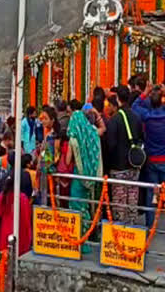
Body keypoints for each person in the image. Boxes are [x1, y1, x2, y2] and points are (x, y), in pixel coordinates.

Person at [133, 84, 165, 231]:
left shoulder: (147, 117)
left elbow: (135, 106)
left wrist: (145, 92)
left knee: (151, 194)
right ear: (162, 100)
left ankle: (150, 225)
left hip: (152, 160)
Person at [65, 99, 103, 249]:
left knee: (76, 208)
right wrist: (97, 114)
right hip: (89, 177)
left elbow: (68, 161)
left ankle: (79, 241)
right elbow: (103, 129)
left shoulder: (74, 139)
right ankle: (86, 240)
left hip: (78, 178)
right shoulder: (92, 133)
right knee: (85, 207)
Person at [103, 86, 143, 223]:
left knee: (119, 202)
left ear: (118, 99)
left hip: (118, 166)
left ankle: (120, 228)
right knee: (132, 198)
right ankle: (132, 226)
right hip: (134, 164)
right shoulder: (136, 117)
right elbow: (141, 138)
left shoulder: (115, 120)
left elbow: (111, 144)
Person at [0, 176, 32, 256]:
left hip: (5, 233)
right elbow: (27, 216)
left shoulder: (2, 197)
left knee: (5, 257)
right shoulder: (22, 197)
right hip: (21, 231)